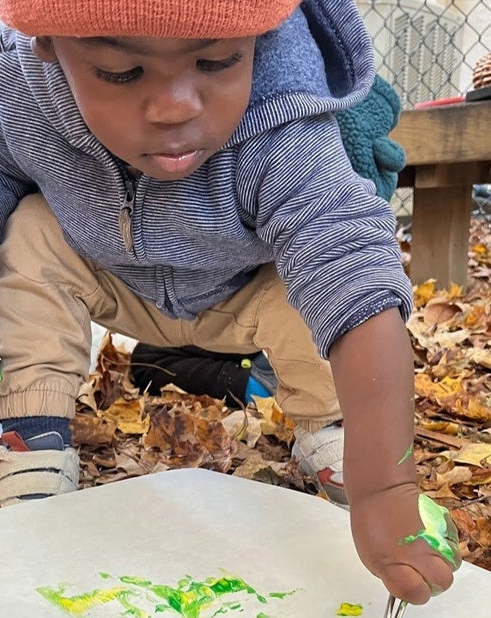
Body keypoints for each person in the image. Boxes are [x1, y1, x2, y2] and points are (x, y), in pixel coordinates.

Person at [0, 0, 460, 605]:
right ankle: (34, 434)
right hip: (112, 279)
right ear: (47, 42)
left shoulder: (284, 120)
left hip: (245, 293)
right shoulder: (17, 85)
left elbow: (352, 273)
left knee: (317, 279)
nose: (175, 105)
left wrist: (385, 486)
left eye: (217, 61)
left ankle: (328, 426)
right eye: (122, 74)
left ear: (262, 35)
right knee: (30, 229)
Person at [129, 72, 407, 508]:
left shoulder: (316, 263)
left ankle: (327, 429)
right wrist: (245, 385)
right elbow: (146, 361)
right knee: (154, 356)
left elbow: (341, 264)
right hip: (212, 313)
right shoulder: (231, 201)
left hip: (283, 327)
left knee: (323, 321)